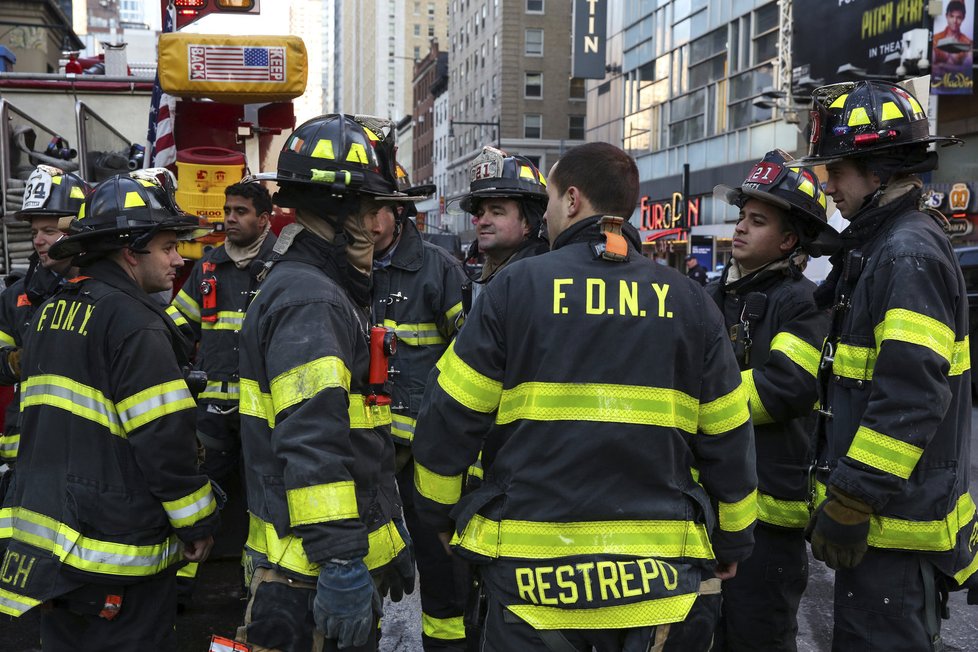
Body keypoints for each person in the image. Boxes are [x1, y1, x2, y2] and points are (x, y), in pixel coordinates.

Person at [412, 142, 757, 651]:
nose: (547, 214)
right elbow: (729, 434)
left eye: (549, 201)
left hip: (533, 584)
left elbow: (448, 420)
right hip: (658, 585)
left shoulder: (515, 290)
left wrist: (439, 517)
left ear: (572, 200)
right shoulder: (691, 302)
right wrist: (733, 538)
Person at [0, 172, 220, 650]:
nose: (178, 259)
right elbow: (164, 440)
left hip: (52, 551)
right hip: (117, 555)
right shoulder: (136, 324)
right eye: (167, 247)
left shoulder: (49, 311)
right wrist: (197, 522)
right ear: (129, 251)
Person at [800, 80, 977, 650]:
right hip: (886, 522)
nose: (828, 186)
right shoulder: (881, 246)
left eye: (837, 172)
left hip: (892, 527)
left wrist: (853, 497)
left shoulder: (905, 253)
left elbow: (912, 395)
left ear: (877, 171)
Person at [235, 114, 415, 652]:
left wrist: (389, 536)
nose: (378, 226)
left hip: (308, 570)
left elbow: (355, 436)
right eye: (371, 210)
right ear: (342, 213)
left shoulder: (315, 288)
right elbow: (312, 444)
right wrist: (341, 561)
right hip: (305, 580)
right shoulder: (310, 300)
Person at [707, 150, 833, 652]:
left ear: (786, 240)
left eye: (756, 221)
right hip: (712, 511)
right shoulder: (720, 295)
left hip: (768, 522)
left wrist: (697, 404)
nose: (739, 228)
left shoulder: (802, 302)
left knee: (757, 636)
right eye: (741, 216)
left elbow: (784, 387)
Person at [371, 168, 467, 650]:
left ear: (399, 212)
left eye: (375, 209)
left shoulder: (439, 270)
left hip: (424, 448)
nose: (364, 220)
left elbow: (470, 356)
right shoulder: (346, 265)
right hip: (365, 444)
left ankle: (445, 642)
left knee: (436, 552)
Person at [0, 165, 90, 467]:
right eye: (34, 231)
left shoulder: (107, 293)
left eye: (49, 231)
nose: (38, 240)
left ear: (77, 229)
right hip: (24, 449)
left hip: (87, 450)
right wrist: (18, 359)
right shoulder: (16, 297)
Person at [458, 146, 550, 312]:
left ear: (528, 223)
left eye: (497, 212)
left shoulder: (540, 281)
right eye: (480, 213)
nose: (483, 221)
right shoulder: (485, 279)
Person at [932, 1, 973, 71]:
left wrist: (943, 66)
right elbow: (932, 66)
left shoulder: (968, 43)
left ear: (963, 18)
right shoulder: (936, 39)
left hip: (960, 80)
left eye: (958, 17)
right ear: (946, 16)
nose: (955, 21)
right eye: (951, 16)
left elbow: (967, 69)